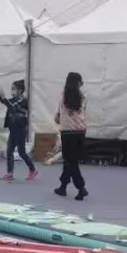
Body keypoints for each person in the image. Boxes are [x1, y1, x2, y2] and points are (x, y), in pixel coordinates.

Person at [54, 71, 88, 200]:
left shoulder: (63, 97)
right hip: (80, 132)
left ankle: (81, 187)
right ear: (79, 83)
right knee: (70, 160)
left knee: (70, 161)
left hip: (67, 132)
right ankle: (63, 186)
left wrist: (61, 118)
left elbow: (58, 116)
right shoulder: (83, 97)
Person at [0, 80, 37, 181]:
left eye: (14, 89)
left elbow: (12, 107)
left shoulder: (23, 100)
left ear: (20, 90)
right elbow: (6, 102)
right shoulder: (13, 99)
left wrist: (4, 98)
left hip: (20, 129)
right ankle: (9, 173)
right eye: (12, 88)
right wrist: (0, 96)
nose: (12, 90)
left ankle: (32, 169)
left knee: (21, 152)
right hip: (13, 128)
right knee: (9, 151)